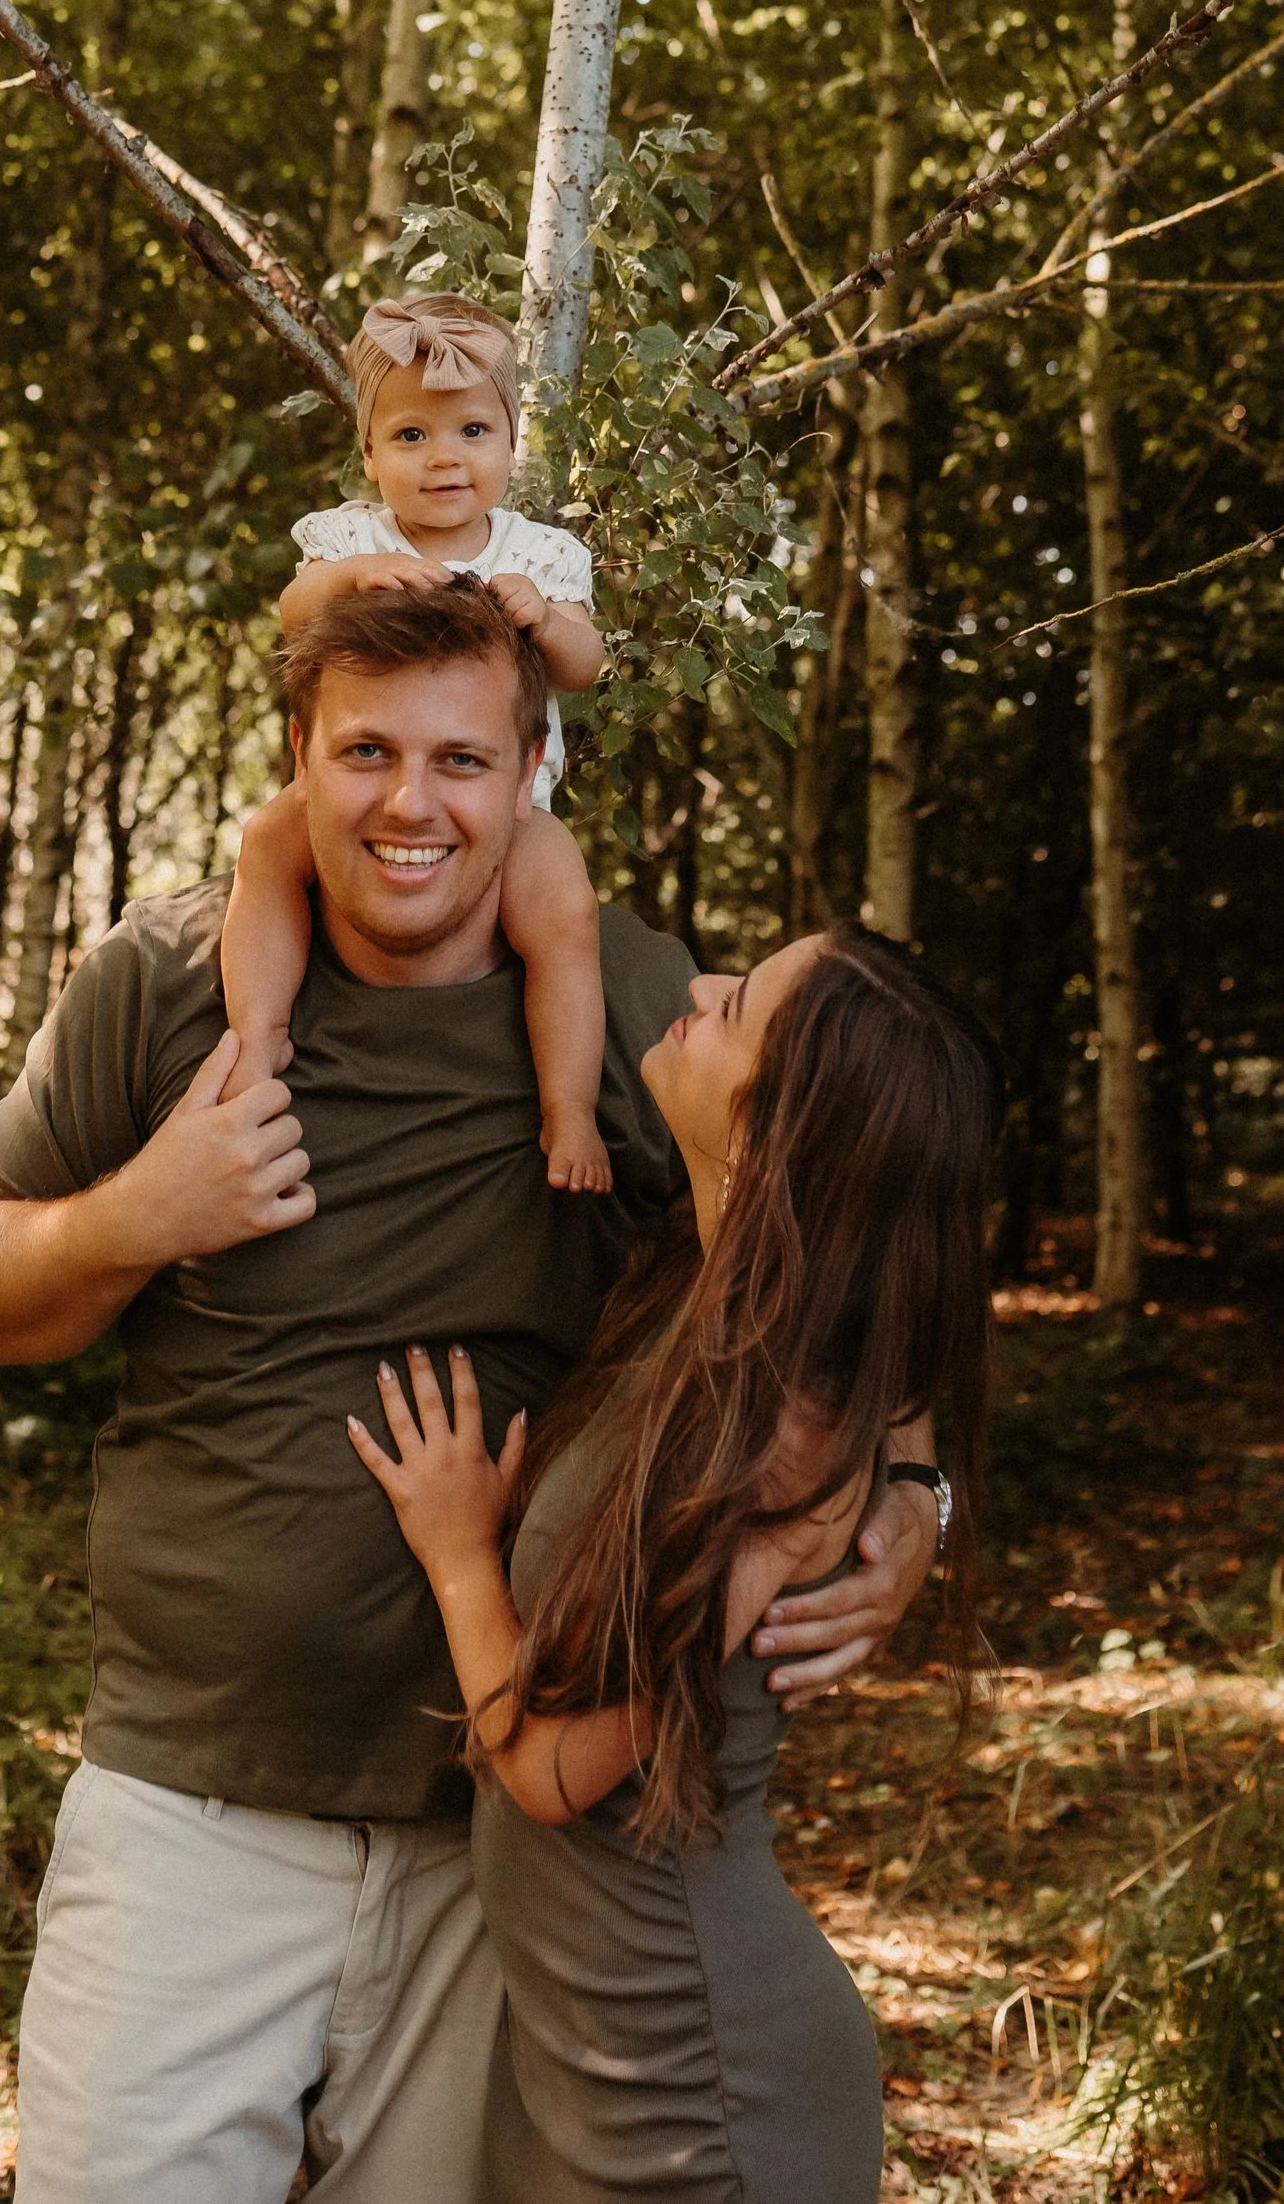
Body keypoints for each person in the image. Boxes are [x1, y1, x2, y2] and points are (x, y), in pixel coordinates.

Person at [0, 571, 945, 2204]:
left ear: (527, 773)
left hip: (491, 1869)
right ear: (296, 754)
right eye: (368, 753)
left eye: (464, 762)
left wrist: (909, 1496)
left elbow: (822, 1259)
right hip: (194, 1809)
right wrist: (140, 1214)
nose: (414, 805)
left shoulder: (629, 1006)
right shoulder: (168, 974)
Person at [352, 923, 998, 2203]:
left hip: (700, 2089)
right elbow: (897, 1323)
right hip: (599, 2051)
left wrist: (457, 1549)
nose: (697, 988)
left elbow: (547, 1771)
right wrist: (922, 1497)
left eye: (738, 1003)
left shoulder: (767, 1458)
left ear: (768, 1135)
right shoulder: (740, 1316)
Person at [220, 289, 614, 1189]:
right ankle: (258, 1030)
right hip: (358, 785)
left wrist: (544, 618)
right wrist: (353, 577)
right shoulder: (349, 538)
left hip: (508, 805)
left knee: (563, 917)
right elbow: (291, 613)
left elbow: (585, 665)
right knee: (267, 844)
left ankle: (570, 1112)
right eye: (410, 438)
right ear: (368, 451)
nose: (444, 460)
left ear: (511, 444)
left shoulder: (540, 555)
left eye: (473, 432)